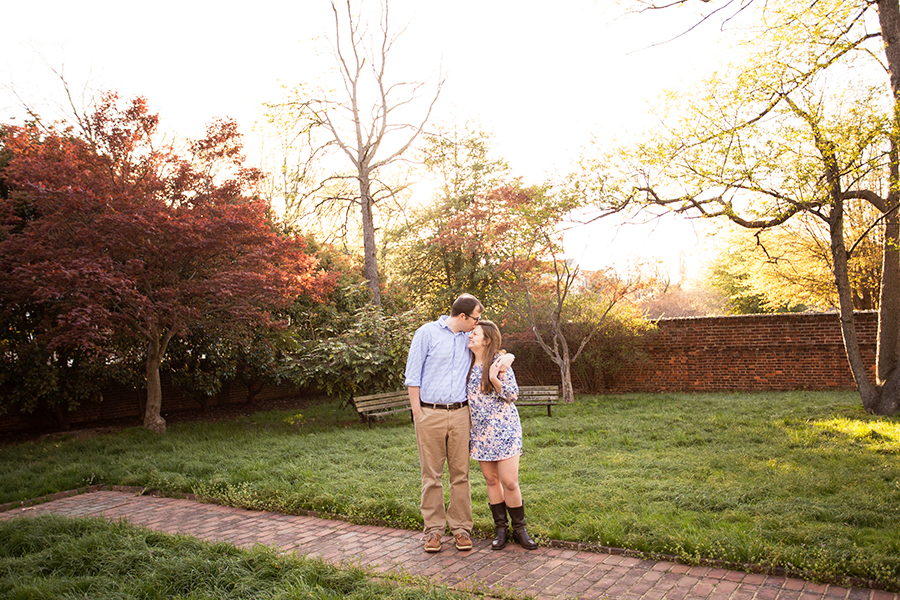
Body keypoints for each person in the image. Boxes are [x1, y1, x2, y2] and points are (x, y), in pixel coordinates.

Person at [405, 294, 513, 553]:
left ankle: (462, 529)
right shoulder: (427, 333)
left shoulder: (469, 338)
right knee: (431, 475)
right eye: (475, 318)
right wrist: (418, 413)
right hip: (430, 414)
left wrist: (509, 358)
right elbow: (412, 374)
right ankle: (433, 531)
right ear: (462, 316)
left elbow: (494, 349)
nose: (478, 323)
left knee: (460, 474)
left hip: (462, 414)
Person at [466, 319, 538, 551]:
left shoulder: (499, 363)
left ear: (486, 340)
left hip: (505, 430)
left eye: (475, 334)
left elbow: (513, 395)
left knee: (509, 481)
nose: (470, 336)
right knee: (491, 480)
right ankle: (500, 529)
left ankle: (520, 530)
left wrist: (495, 378)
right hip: (480, 433)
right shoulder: (465, 364)